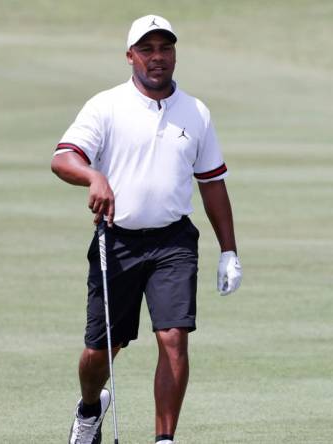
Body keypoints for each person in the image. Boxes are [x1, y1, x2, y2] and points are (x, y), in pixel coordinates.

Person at [51, 14, 242, 444]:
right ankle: (89, 408)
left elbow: (212, 182)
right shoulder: (106, 105)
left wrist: (229, 249)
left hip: (173, 241)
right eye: (147, 49)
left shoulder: (196, 112)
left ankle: (165, 438)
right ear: (130, 56)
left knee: (174, 337)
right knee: (100, 352)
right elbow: (63, 157)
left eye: (165, 48)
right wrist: (93, 177)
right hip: (116, 241)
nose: (158, 58)